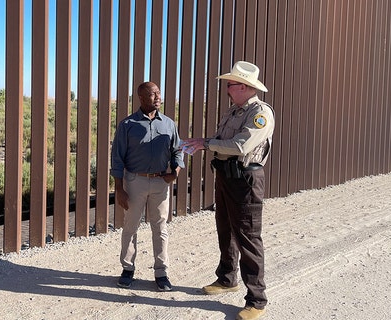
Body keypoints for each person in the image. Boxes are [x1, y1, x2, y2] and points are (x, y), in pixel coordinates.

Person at [181, 61, 274, 320]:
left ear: (243, 86)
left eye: (230, 84)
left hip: (245, 179)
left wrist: (206, 143)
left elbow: (240, 145)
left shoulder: (260, 113)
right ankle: (227, 278)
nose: (228, 88)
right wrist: (208, 144)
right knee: (225, 229)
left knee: (247, 236)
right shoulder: (234, 111)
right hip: (226, 176)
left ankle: (256, 300)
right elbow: (224, 141)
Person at [110, 81, 185, 291]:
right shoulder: (127, 125)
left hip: (161, 183)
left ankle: (161, 273)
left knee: (160, 227)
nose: (158, 97)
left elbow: (177, 150)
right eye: (153, 94)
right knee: (130, 226)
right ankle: (127, 269)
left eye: (159, 93)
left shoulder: (169, 124)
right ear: (141, 98)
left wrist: (175, 172)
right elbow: (117, 158)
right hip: (135, 181)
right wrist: (120, 188)